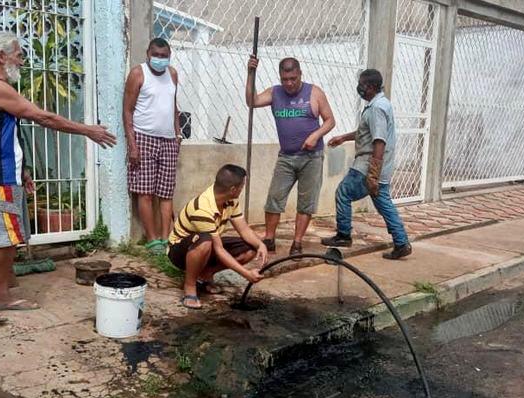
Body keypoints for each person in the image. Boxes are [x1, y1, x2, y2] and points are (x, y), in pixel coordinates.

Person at [0, 31, 116, 323]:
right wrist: (88, 130)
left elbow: (7, 133)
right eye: (18, 54)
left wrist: (23, 170)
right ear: (1, 56)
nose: (22, 60)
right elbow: (43, 117)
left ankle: (1, 294)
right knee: (1, 241)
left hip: (7, 173)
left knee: (11, 238)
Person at [246, 56, 335, 256]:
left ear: (300, 74)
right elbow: (251, 101)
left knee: (306, 202)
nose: (289, 83)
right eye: (285, 79)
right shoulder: (275, 92)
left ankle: (297, 243)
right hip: (286, 157)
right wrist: (251, 73)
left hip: (311, 157)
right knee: (274, 198)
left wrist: (315, 135)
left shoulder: (314, 92)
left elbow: (330, 121)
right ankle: (269, 239)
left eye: (293, 78)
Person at [322, 69, 412, 260]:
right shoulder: (381, 104)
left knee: (343, 192)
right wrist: (343, 137)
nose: (359, 88)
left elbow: (379, 140)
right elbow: (367, 131)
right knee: (384, 203)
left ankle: (344, 235)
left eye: (362, 85)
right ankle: (402, 242)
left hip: (367, 164)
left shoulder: (377, 108)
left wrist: (372, 173)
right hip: (380, 166)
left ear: (370, 87)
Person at [168, 164, 268, 309]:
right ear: (233, 189)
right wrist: (246, 274)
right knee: (205, 241)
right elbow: (219, 250)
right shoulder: (202, 208)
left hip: (209, 244)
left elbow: (244, 230)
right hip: (180, 251)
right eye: (242, 186)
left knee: (251, 247)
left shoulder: (231, 201)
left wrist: (261, 245)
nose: (242, 189)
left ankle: (205, 275)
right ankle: (189, 286)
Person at [123, 37, 182, 255]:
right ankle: (152, 240)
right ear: (148, 53)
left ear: (169, 55)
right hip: (143, 137)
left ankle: (166, 239)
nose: (159, 59)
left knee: (166, 193)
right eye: (155, 55)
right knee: (145, 192)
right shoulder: (138, 74)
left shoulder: (173, 74)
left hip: (168, 139)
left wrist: (177, 135)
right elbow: (127, 110)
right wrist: (133, 145)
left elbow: (173, 106)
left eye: (164, 56)